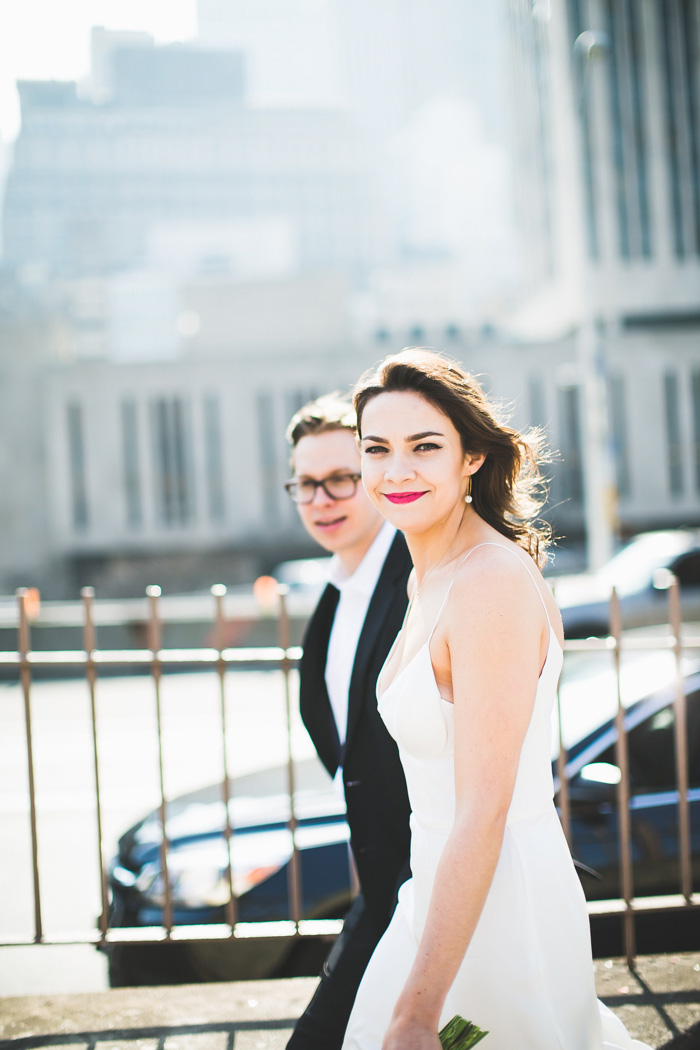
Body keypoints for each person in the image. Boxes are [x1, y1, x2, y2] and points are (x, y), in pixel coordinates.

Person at [341, 350, 651, 1050]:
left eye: (425, 447)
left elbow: (485, 807)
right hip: (436, 900)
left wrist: (419, 1013)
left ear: (472, 457)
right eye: (377, 449)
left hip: (499, 909)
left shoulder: (488, 583)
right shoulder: (431, 577)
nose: (397, 471)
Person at [283, 394, 413, 1050]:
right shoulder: (335, 594)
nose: (321, 498)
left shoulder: (420, 576)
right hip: (382, 881)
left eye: (340, 478)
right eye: (305, 483)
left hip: (429, 888)